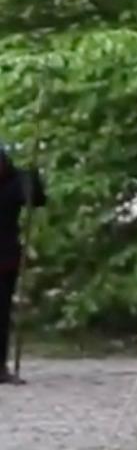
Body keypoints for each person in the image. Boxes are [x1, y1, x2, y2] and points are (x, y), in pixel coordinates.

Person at [0, 144, 34, 385]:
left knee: (2, 314)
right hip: (6, 256)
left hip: (5, 257)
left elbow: (37, 200)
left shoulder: (16, 182)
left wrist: (32, 178)